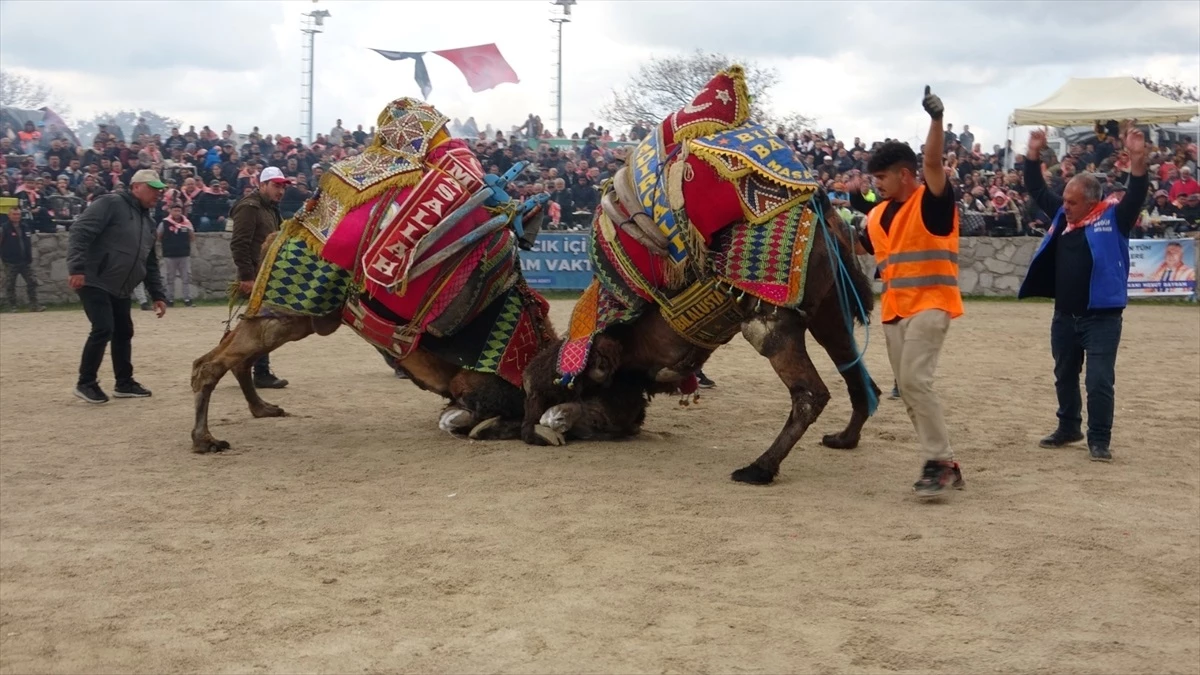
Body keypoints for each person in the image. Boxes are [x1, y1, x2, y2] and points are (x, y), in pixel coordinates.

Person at [852, 86, 965, 498]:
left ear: (904, 174)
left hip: (933, 305)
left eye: (880, 177)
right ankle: (946, 463)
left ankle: (938, 462)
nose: (875, 185)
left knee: (916, 381)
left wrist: (936, 119)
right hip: (895, 312)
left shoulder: (932, 200)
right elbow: (857, 245)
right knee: (911, 391)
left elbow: (933, 161)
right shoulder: (879, 214)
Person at [1018, 124, 1149, 462]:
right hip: (1065, 315)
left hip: (1102, 318)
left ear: (1092, 201)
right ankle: (1068, 427)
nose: (1065, 206)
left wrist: (1137, 158)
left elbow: (1136, 193)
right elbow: (1034, 187)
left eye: (1073, 202)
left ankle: (1099, 439)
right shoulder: (1063, 214)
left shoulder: (1116, 217)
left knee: (1099, 381)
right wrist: (1033, 153)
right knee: (1064, 374)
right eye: (1064, 200)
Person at [66, 169, 169, 404]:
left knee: (124, 331)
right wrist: (77, 269)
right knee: (103, 328)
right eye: (153, 188)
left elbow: (150, 261)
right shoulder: (110, 203)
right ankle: (86, 383)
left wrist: (158, 294)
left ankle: (124, 383)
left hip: (121, 286)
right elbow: (80, 232)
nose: (158, 193)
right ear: (135, 187)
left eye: (160, 189)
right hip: (94, 279)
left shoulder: (149, 221)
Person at [229, 166, 289, 389]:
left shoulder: (271, 208)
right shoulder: (249, 207)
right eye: (276, 186)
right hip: (255, 275)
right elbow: (239, 244)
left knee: (261, 323)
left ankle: (248, 366)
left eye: (282, 186)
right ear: (261, 185)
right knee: (261, 324)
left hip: (267, 274)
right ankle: (257, 370)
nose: (280, 191)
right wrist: (246, 276)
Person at [2, 206, 44, 312]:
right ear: (9, 215)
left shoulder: (25, 227)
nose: (17, 216)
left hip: (25, 261)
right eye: (14, 214)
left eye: (18, 214)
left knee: (32, 282)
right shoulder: (4, 228)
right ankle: (12, 306)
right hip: (10, 261)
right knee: (10, 284)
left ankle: (34, 305)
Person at [158, 203, 195, 307]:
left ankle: (187, 299)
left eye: (179, 211)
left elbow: (192, 236)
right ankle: (169, 299)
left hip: (184, 254)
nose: (177, 213)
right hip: (169, 254)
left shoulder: (186, 223)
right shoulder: (165, 223)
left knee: (186, 277)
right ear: (170, 211)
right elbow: (159, 236)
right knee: (170, 278)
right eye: (175, 211)